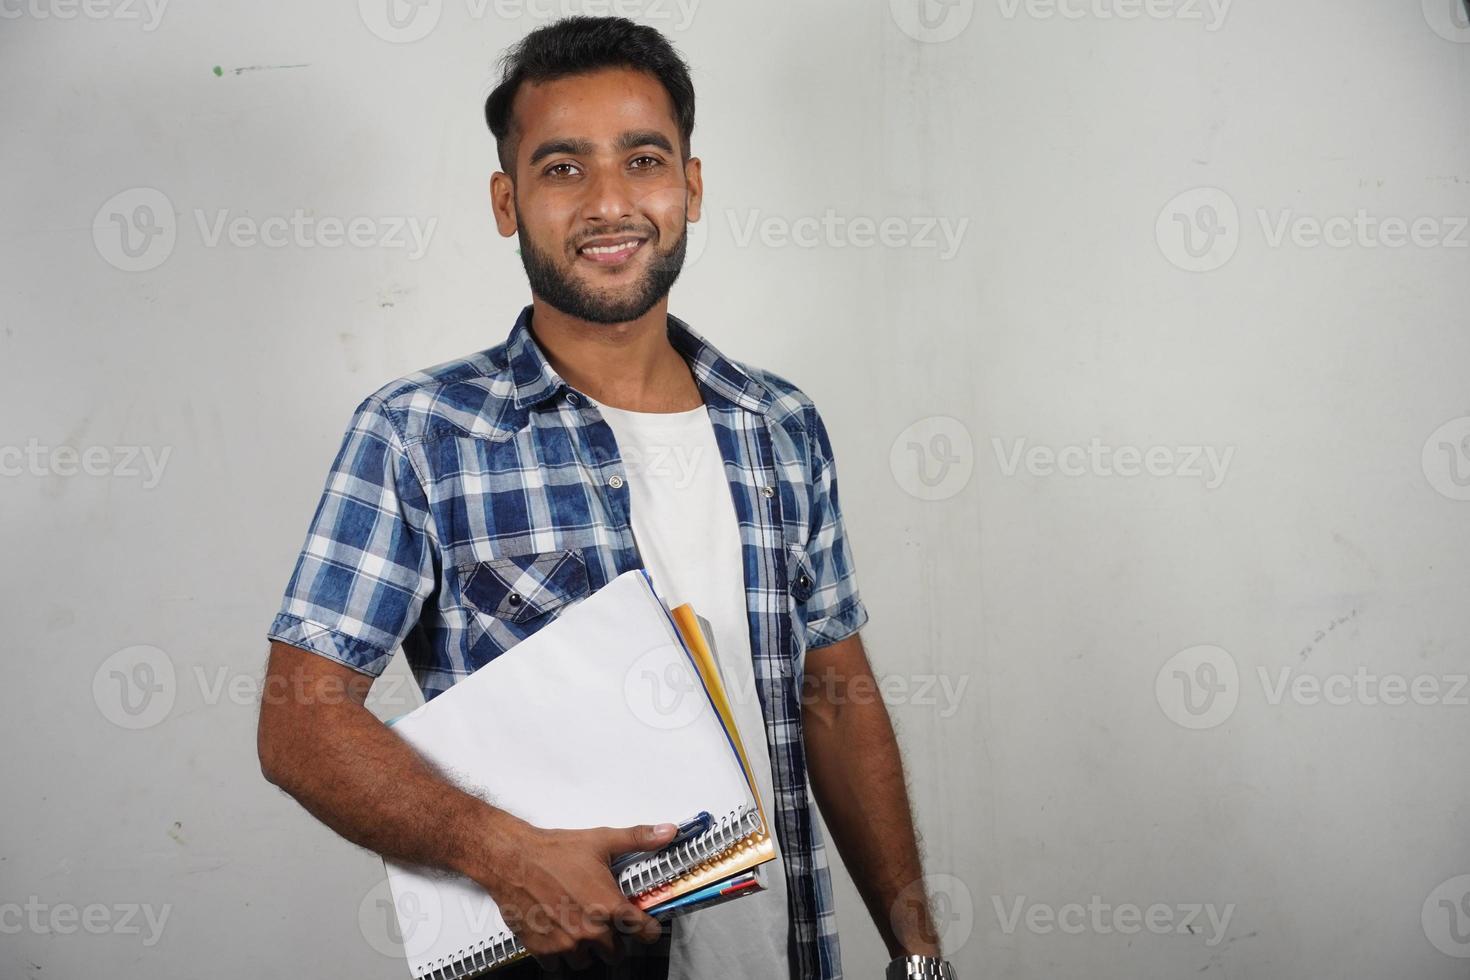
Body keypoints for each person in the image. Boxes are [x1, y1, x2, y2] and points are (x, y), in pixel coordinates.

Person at [256, 15, 953, 980]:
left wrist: (918, 958)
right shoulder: (422, 433)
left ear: (692, 187)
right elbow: (299, 719)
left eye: (644, 159)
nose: (611, 203)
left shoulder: (781, 425)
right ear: (507, 203)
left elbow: (835, 694)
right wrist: (499, 854)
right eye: (563, 168)